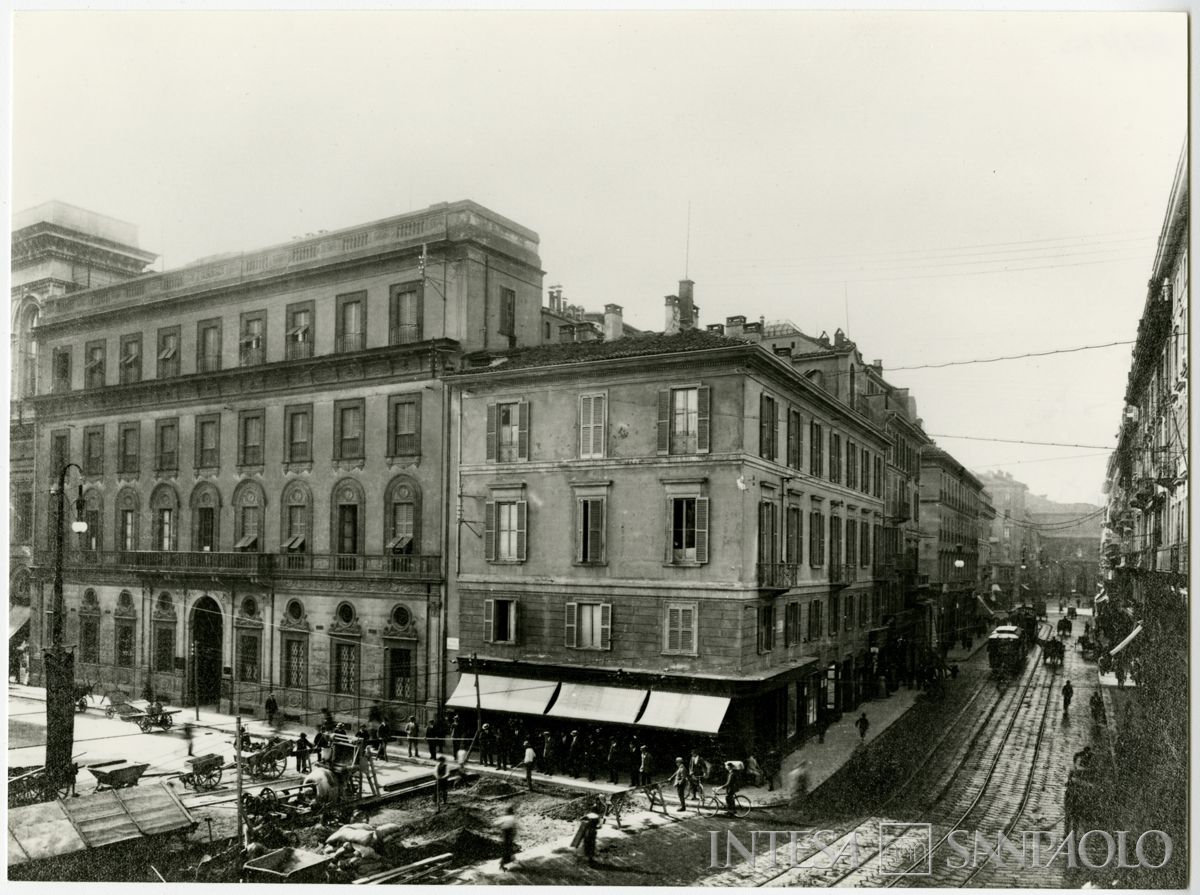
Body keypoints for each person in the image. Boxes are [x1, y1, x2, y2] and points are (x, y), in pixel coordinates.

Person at [497, 805, 518, 871]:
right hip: (509, 834)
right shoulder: (512, 818)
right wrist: (514, 834)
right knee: (508, 848)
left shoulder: (504, 818)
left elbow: (497, 823)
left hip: (505, 834)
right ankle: (502, 865)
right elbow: (515, 827)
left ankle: (507, 861)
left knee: (507, 848)